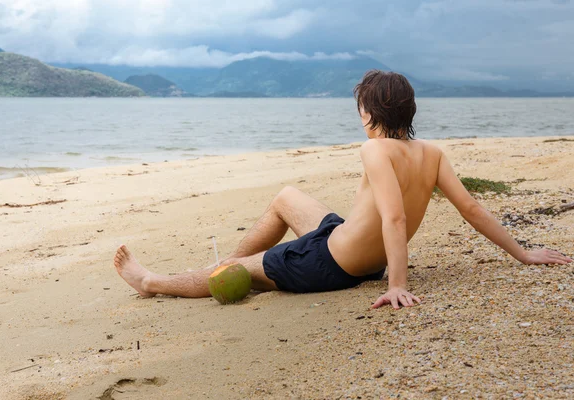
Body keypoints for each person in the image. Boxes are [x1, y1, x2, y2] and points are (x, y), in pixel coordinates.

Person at [113, 70, 572, 310]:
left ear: (369, 111)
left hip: (332, 264)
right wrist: (523, 253)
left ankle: (152, 282)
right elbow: (470, 207)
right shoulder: (430, 152)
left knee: (244, 270)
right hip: (345, 241)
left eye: (358, 106)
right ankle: (227, 264)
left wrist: (398, 284)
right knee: (286, 196)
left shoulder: (374, 150)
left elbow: (394, 218)